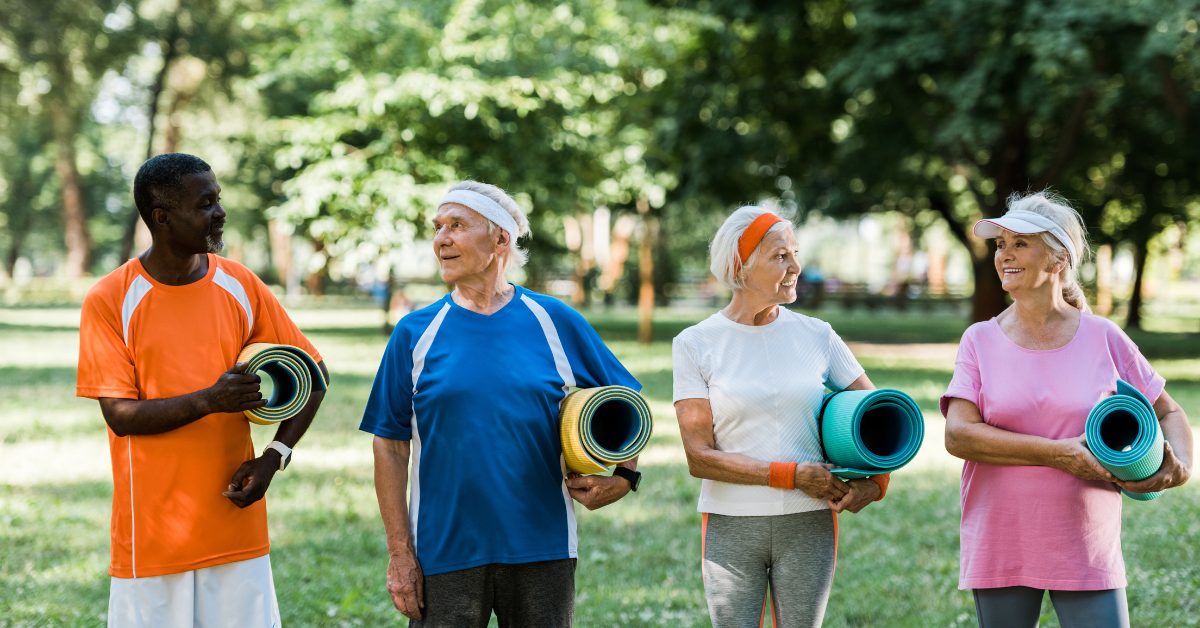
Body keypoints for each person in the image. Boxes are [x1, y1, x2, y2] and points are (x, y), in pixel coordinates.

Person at [360, 181, 642, 627]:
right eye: (437, 228)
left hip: (542, 548)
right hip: (443, 550)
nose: (441, 239)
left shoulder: (555, 320)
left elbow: (628, 405)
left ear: (500, 239)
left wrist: (626, 476)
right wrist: (400, 555)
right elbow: (390, 447)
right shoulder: (415, 333)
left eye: (457, 225)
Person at [77, 153, 329, 628]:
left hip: (235, 523)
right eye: (205, 203)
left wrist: (274, 457)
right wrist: (210, 400)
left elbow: (315, 375)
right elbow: (120, 415)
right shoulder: (111, 299)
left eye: (219, 199)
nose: (220, 212)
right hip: (152, 536)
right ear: (163, 218)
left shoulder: (240, 283)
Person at [942, 192, 1192, 628]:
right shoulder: (979, 340)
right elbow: (958, 435)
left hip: (1085, 540)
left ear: (1058, 261)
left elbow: (1169, 412)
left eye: (1020, 243)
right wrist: (1057, 453)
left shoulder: (1103, 336)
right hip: (1002, 537)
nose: (1005, 255)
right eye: (1001, 244)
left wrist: (1182, 466)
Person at [673, 206, 890, 628]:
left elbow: (883, 418)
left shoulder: (817, 335)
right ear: (741, 266)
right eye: (780, 256)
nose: (796, 267)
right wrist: (792, 475)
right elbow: (699, 457)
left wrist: (877, 484)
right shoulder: (695, 344)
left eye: (795, 253)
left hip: (808, 523)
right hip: (731, 524)